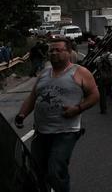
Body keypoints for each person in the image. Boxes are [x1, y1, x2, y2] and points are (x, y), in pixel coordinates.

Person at [14, 38, 99, 192]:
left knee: (56, 170)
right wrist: (22, 114)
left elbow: (94, 95)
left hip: (66, 132)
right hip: (41, 132)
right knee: (38, 170)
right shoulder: (44, 74)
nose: (53, 53)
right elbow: (33, 97)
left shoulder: (80, 72)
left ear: (68, 52)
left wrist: (78, 108)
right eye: (51, 50)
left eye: (58, 50)